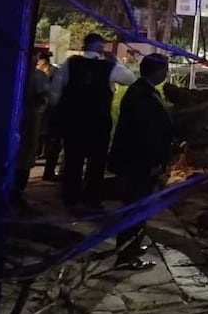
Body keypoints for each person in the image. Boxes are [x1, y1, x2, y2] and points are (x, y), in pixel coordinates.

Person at [49, 33, 136, 212]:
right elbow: (130, 79)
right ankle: (91, 198)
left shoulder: (70, 64)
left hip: (74, 121)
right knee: (96, 163)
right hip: (98, 122)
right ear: (100, 47)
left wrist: (60, 114)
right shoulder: (109, 67)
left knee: (73, 159)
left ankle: (70, 197)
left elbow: (55, 92)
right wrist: (116, 61)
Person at [108, 53, 173, 270]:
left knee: (137, 208)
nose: (167, 74)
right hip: (139, 163)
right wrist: (155, 162)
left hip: (137, 162)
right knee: (136, 208)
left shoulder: (143, 91)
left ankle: (132, 246)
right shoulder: (142, 96)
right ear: (157, 71)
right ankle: (127, 255)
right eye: (165, 70)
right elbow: (147, 135)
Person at [11, 62, 50, 206]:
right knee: (25, 156)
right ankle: (17, 192)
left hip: (20, 119)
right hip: (30, 119)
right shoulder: (37, 76)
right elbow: (46, 96)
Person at [36, 51, 62, 181]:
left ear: (42, 61)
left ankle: (48, 169)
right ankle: (47, 167)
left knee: (50, 140)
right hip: (48, 111)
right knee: (49, 140)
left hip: (49, 111)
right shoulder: (51, 72)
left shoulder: (50, 73)